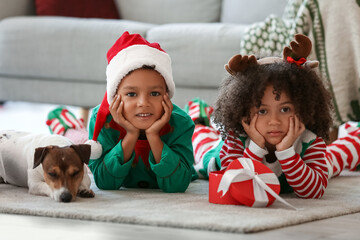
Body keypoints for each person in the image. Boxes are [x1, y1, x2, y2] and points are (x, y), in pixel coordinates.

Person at [186, 34, 360, 198]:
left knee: (336, 158)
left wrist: (287, 153)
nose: (274, 121)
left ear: (302, 108)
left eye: (284, 109)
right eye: (262, 111)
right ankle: (198, 112)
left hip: (301, 161)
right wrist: (255, 147)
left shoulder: (309, 141)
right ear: (245, 112)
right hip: (224, 155)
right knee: (202, 142)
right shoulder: (235, 139)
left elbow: (314, 191)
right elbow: (235, 184)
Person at [86, 32, 195, 192]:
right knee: (72, 138)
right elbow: (105, 182)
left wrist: (153, 136)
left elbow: (178, 185)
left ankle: (200, 116)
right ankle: (64, 122)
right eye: (131, 94)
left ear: (167, 94)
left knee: (208, 153)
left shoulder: (181, 123)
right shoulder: (102, 121)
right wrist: (131, 134)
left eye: (155, 93)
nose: (143, 103)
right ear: (115, 97)